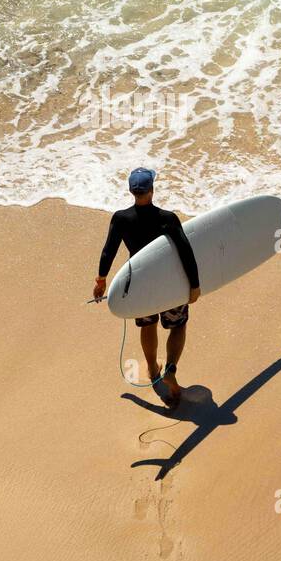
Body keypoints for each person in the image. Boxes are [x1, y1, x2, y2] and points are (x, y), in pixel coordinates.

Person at [93, 168, 200, 402]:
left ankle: (153, 369)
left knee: (147, 325)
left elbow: (108, 251)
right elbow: (185, 251)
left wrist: (101, 280)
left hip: (141, 283)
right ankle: (170, 368)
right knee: (178, 325)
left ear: (131, 191)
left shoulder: (121, 219)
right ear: (152, 190)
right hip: (169, 283)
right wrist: (194, 285)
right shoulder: (167, 218)